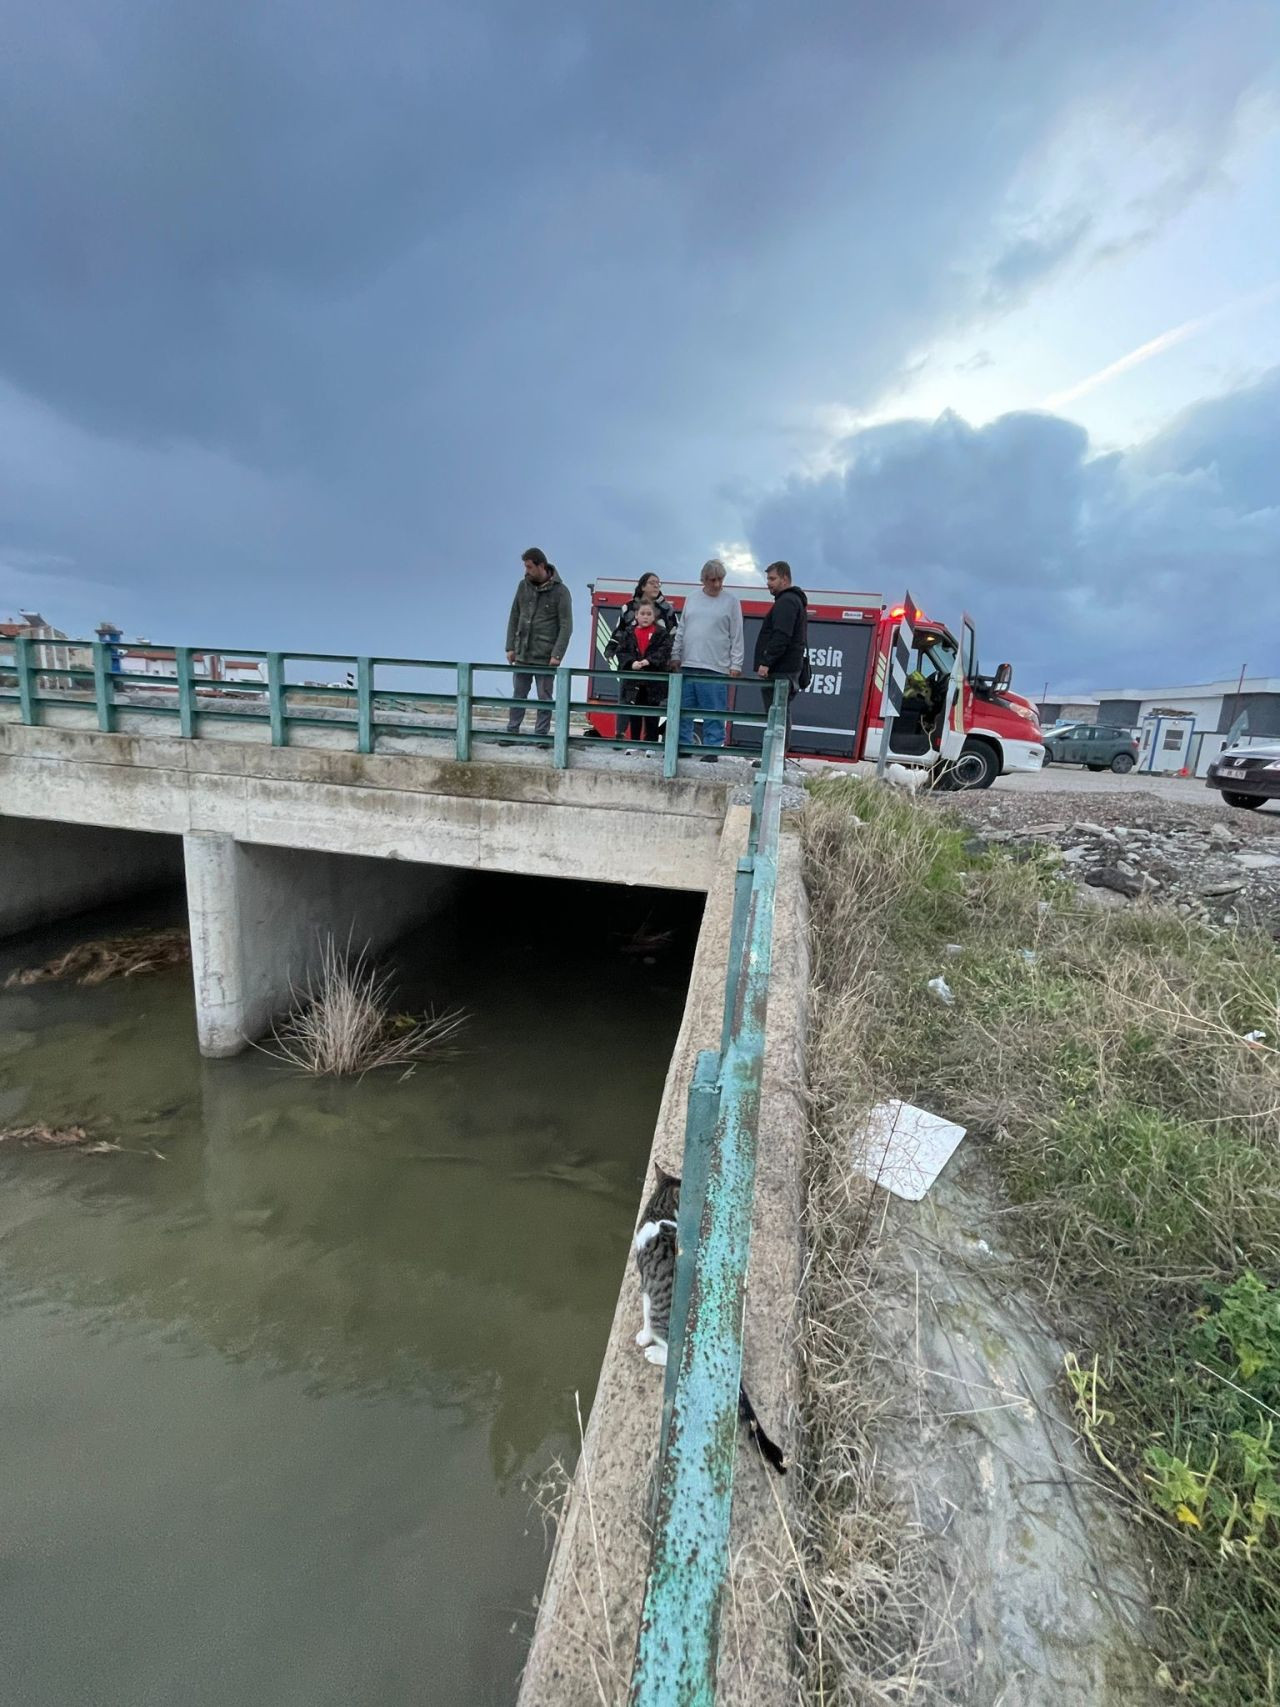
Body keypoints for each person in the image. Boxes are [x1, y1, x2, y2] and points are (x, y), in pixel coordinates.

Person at [672, 558, 743, 762]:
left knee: (713, 711)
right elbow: (682, 628)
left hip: (716, 666)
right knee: (683, 710)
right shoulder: (692, 598)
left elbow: (736, 634)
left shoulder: (731, 601)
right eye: (713, 580)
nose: (717, 584)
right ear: (703, 579)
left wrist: (736, 663)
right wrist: (675, 654)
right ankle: (683, 745)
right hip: (688, 662)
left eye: (720, 579)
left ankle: (713, 748)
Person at [504, 548, 573, 741]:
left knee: (544, 698)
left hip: (545, 656)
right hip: (523, 653)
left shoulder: (561, 591)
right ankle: (511, 731)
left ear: (541, 565)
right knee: (518, 695)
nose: (526, 571)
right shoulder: (523, 586)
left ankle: (541, 735)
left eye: (529, 567)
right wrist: (510, 647)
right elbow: (514, 615)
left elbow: (566, 625)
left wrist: (557, 654)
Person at [753, 560, 809, 749]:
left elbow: (781, 635)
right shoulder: (793, 601)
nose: (768, 583)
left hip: (781, 670)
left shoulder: (786, 602)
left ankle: (775, 757)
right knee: (780, 714)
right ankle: (777, 756)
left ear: (785, 579)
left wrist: (767, 661)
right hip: (787, 669)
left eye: (772, 579)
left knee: (776, 715)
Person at [612, 599, 673, 745]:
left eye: (649, 614)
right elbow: (621, 652)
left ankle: (650, 745)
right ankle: (634, 743)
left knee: (652, 715)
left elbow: (664, 651)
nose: (645, 617)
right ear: (636, 615)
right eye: (642, 613)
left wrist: (649, 661)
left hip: (653, 682)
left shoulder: (661, 633)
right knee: (635, 715)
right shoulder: (628, 633)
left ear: (654, 616)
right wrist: (631, 663)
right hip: (633, 682)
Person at [605, 573, 678, 660]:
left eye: (658, 583)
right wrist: (610, 649)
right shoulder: (628, 608)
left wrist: (673, 657)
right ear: (642, 587)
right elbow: (619, 631)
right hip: (632, 661)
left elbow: (674, 634)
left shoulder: (667, 609)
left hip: (657, 662)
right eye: (652, 583)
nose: (656, 586)